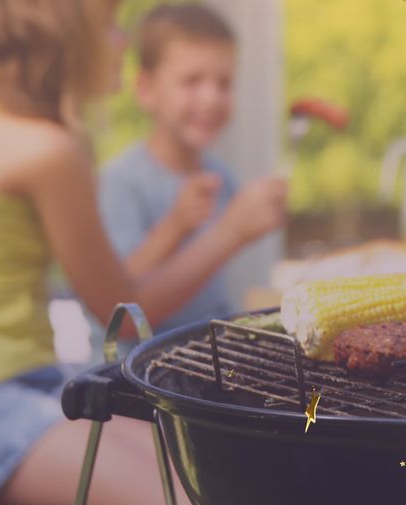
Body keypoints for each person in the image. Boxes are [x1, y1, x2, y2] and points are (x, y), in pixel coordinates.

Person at [0, 0, 286, 505]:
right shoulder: (50, 151)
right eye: (109, 24)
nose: (122, 41)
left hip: (36, 382)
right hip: (4, 402)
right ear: (66, 35)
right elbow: (121, 314)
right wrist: (227, 233)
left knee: (215, 480)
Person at [86, 3, 286, 352]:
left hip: (204, 364)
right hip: (134, 381)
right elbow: (120, 307)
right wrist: (202, 230)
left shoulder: (220, 176)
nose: (210, 97)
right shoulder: (121, 183)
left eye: (224, 83)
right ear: (147, 89)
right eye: (191, 81)